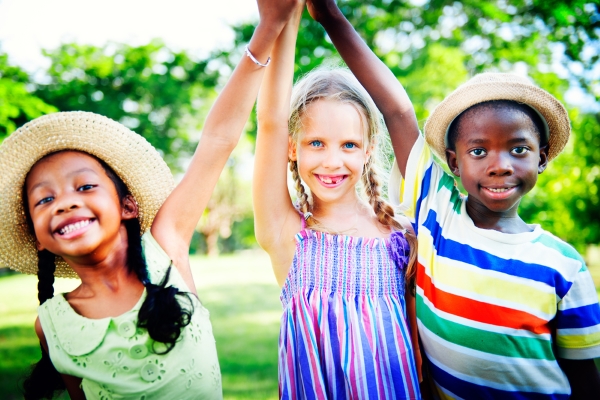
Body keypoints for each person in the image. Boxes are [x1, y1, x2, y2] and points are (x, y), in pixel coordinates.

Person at [0, 1, 300, 398]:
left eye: (85, 187)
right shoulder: (51, 324)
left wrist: (268, 30)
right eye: (44, 200)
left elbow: (217, 140)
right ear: (37, 235)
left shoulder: (167, 249)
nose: (65, 202)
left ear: (128, 205)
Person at [305, 0, 600, 398]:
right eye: (478, 151)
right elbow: (397, 108)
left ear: (542, 157)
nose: (499, 165)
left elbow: (585, 380)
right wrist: (330, 17)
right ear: (453, 162)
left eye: (518, 149)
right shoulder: (436, 212)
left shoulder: (565, 266)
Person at [252, 2, 421, 399]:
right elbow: (271, 121)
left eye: (348, 144)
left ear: (368, 150)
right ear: (292, 149)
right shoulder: (286, 233)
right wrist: (284, 20)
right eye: (316, 143)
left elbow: (399, 111)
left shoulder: (401, 237)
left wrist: (330, 15)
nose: (332, 161)